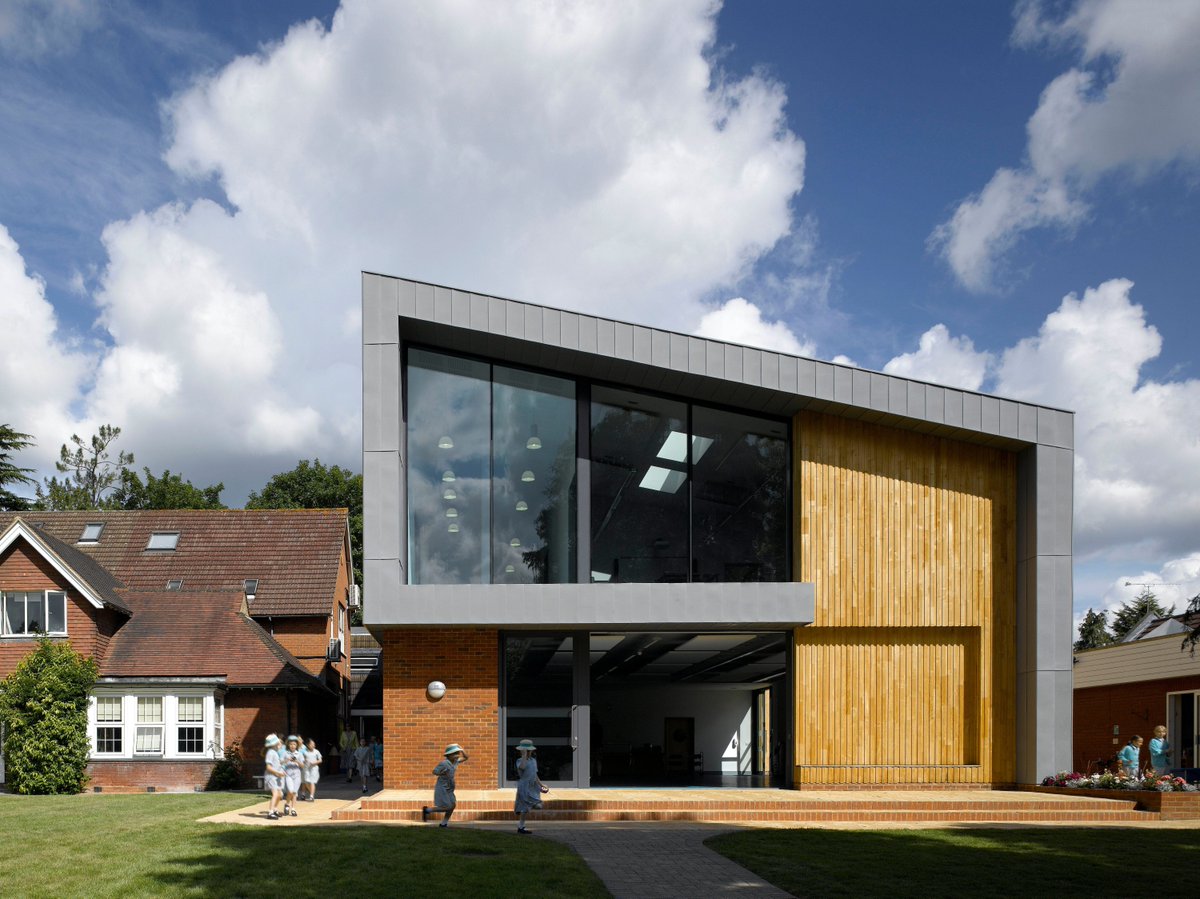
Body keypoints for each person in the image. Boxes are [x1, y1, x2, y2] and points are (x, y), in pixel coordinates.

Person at [423, 743, 468, 827]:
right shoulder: (444, 763)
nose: (457, 755)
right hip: (442, 786)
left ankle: (444, 823)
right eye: (455, 753)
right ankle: (428, 810)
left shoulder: (455, 762)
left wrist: (461, 749)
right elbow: (434, 771)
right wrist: (441, 772)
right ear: (449, 755)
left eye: (457, 753)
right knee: (447, 807)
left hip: (450, 786)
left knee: (453, 805)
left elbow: (466, 757)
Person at [512, 738, 549, 834]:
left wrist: (541, 785)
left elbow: (535, 774)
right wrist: (524, 755)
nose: (529, 752)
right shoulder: (520, 761)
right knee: (535, 806)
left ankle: (521, 827)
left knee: (527, 808)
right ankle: (521, 821)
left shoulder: (533, 761)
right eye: (527, 751)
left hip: (533, 786)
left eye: (529, 751)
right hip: (524, 786)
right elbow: (522, 768)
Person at [262, 734, 285, 821]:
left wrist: (280, 772)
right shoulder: (270, 753)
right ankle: (270, 812)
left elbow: (276, 765)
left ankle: (275, 809)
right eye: (279, 743)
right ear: (275, 744)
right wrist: (278, 773)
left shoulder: (274, 752)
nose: (280, 745)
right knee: (275, 794)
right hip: (271, 776)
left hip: (276, 777)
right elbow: (268, 767)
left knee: (280, 794)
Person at [281, 735, 304, 816]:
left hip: (297, 776)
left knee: (294, 792)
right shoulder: (285, 753)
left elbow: (303, 766)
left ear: (297, 745)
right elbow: (280, 762)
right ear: (288, 745)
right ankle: (287, 804)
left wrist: (297, 761)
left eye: (294, 744)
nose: (292, 746)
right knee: (290, 791)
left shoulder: (299, 754)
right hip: (288, 775)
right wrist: (287, 759)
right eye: (291, 744)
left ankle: (293, 809)